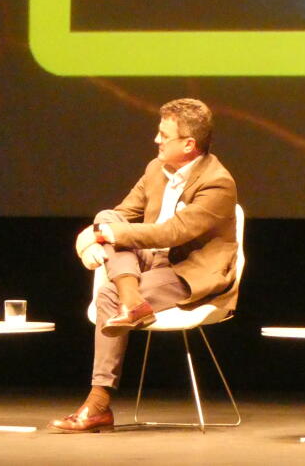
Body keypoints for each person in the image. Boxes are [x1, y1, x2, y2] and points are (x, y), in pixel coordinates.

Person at [49, 98, 238, 433]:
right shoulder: (155, 169)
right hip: (150, 262)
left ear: (189, 144)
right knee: (108, 217)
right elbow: (120, 215)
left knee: (109, 293)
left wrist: (104, 235)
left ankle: (98, 405)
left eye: (164, 135)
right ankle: (134, 302)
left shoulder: (218, 182)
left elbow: (173, 231)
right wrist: (93, 235)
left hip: (189, 269)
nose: (156, 140)